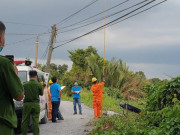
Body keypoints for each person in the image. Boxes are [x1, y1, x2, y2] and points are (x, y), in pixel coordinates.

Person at [0, 21, 24, 135]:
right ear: (1, 38)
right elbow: (19, 96)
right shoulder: (4, 64)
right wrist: (14, 74)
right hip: (2, 123)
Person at [21, 70, 43, 135]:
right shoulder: (38, 84)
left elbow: (22, 93)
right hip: (36, 104)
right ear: (36, 76)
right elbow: (41, 93)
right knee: (35, 121)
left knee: (25, 120)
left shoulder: (25, 84)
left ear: (29, 76)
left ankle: (24, 133)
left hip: (27, 104)